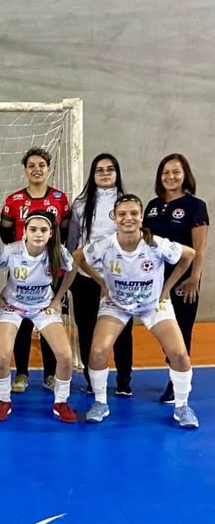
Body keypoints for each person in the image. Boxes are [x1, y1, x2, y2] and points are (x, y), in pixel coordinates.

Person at [74, 194, 199, 429]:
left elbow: (189, 255)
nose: (128, 218)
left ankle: (182, 406)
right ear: (114, 217)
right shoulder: (105, 244)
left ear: (141, 217)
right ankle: (100, 402)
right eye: (122, 214)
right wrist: (101, 282)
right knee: (98, 351)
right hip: (117, 304)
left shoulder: (155, 244)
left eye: (133, 213)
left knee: (180, 354)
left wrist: (167, 288)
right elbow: (78, 257)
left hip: (152, 304)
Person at [0, 210, 77, 422]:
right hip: (12, 306)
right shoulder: (10, 251)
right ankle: (3, 399)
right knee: (2, 356)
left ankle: (61, 402)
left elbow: (73, 269)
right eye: (33, 229)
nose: (38, 234)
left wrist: (58, 299)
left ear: (50, 233)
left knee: (65, 355)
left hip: (42, 306)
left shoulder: (58, 252)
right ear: (25, 232)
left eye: (43, 230)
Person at [0, 147, 71, 393]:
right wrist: (23, 256)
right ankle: (21, 373)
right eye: (31, 165)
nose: (36, 169)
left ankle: (50, 374)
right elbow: (6, 233)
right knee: (22, 322)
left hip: (50, 269)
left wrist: (49, 256)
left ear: (48, 169)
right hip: (21, 269)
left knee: (48, 320)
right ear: (25, 170)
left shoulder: (60, 199)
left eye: (41, 165)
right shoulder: (14, 200)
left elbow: (64, 230)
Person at [143, 154, 209, 403]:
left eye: (176, 172)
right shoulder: (152, 205)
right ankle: (174, 365)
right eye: (165, 172)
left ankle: (177, 383)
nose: (170, 177)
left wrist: (194, 277)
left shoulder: (195, 206)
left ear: (185, 175)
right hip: (155, 280)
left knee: (182, 330)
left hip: (183, 280)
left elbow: (199, 248)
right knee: (164, 331)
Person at [67, 154, 134, 395]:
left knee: (122, 330)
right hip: (86, 278)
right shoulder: (80, 204)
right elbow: (73, 242)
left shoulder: (127, 203)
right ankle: (92, 380)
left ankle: (124, 381)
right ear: (93, 174)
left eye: (110, 169)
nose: (105, 173)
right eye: (99, 170)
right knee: (86, 330)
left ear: (117, 173)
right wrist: (71, 273)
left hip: (119, 279)